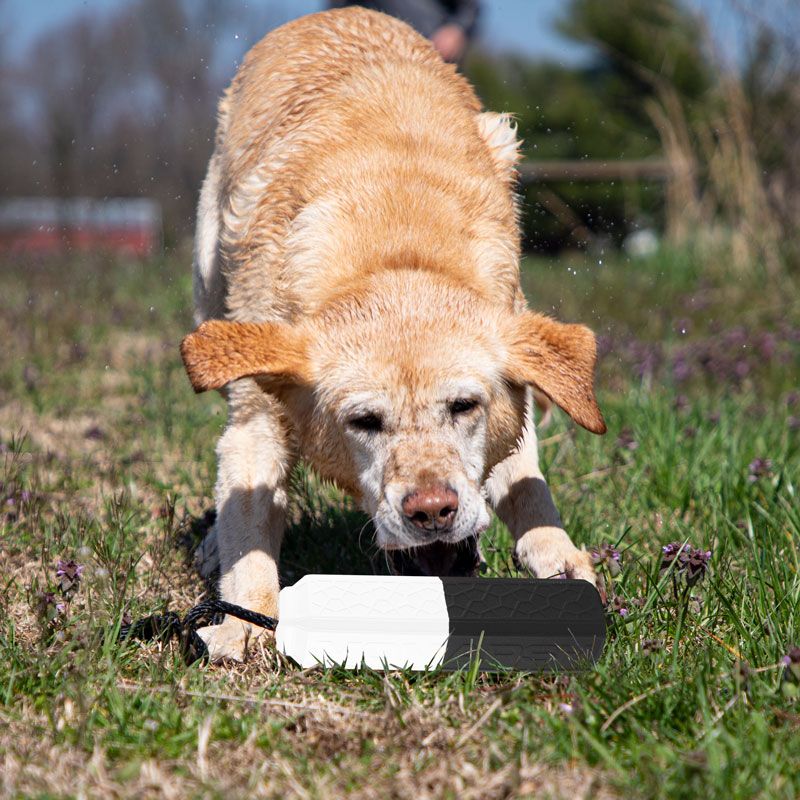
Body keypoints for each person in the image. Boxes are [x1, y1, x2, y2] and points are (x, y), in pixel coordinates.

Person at [328, 0, 480, 62]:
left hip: (435, 53)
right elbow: (338, 10)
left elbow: (469, 8)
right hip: (376, 57)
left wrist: (457, 29)